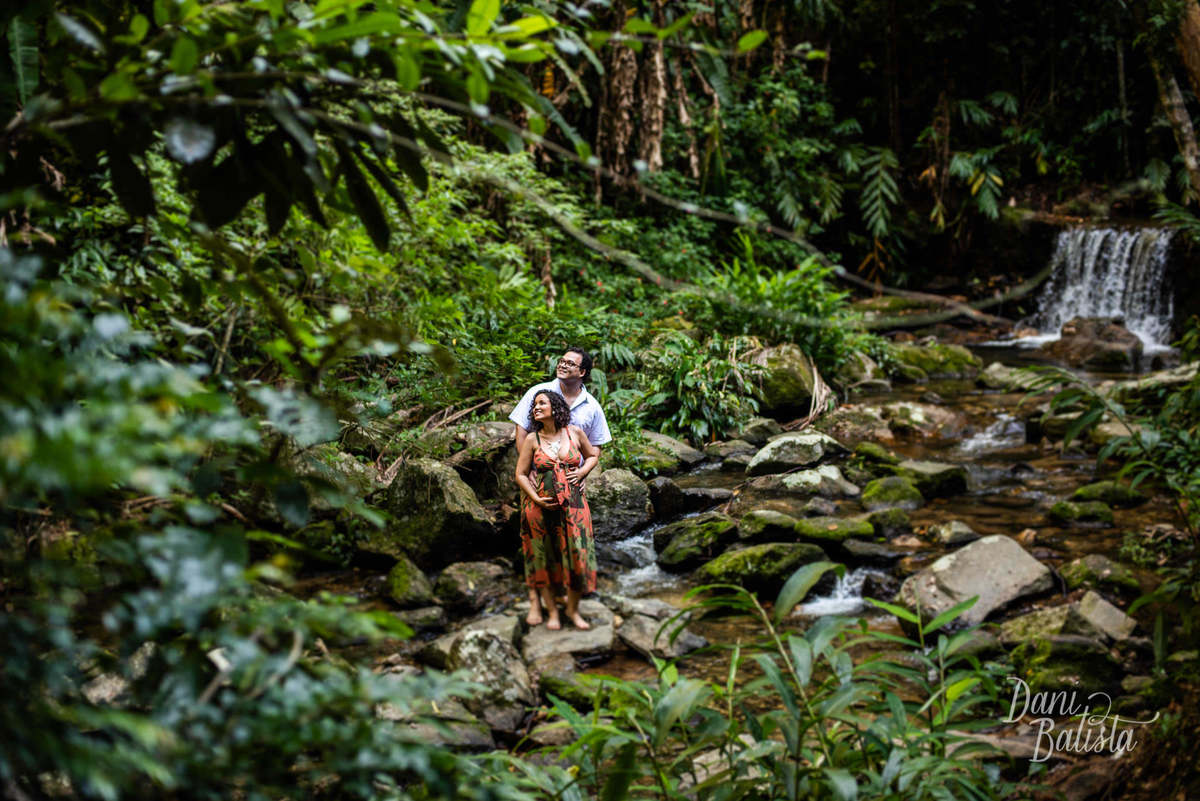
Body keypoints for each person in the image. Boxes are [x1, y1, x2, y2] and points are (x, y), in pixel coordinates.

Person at [509, 347, 611, 625]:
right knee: (538, 545)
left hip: (572, 491)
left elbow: (595, 449)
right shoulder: (538, 392)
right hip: (537, 479)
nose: (563, 365)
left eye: (570, 363)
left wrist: (582, 473)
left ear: (583, 372)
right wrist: (529, 470)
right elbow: (521, 431)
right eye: (561, 360)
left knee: (571, 547)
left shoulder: (591, 406)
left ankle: (566, 603)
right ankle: (537, 604)